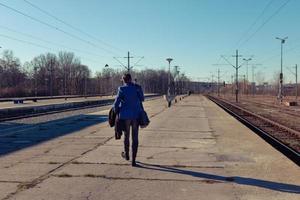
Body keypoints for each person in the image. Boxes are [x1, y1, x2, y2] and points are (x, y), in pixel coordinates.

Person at [113, 73, 144, 166]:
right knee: (135, 137)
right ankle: (134, 160)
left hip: (125, 116)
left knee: (126, 136)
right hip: (136, 115)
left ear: (124, 80)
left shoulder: (121, 89)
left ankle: (127, 155)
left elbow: (116, 103)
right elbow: (142, 99)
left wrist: (115, 111)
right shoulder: (137, 87)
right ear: (131, 79)